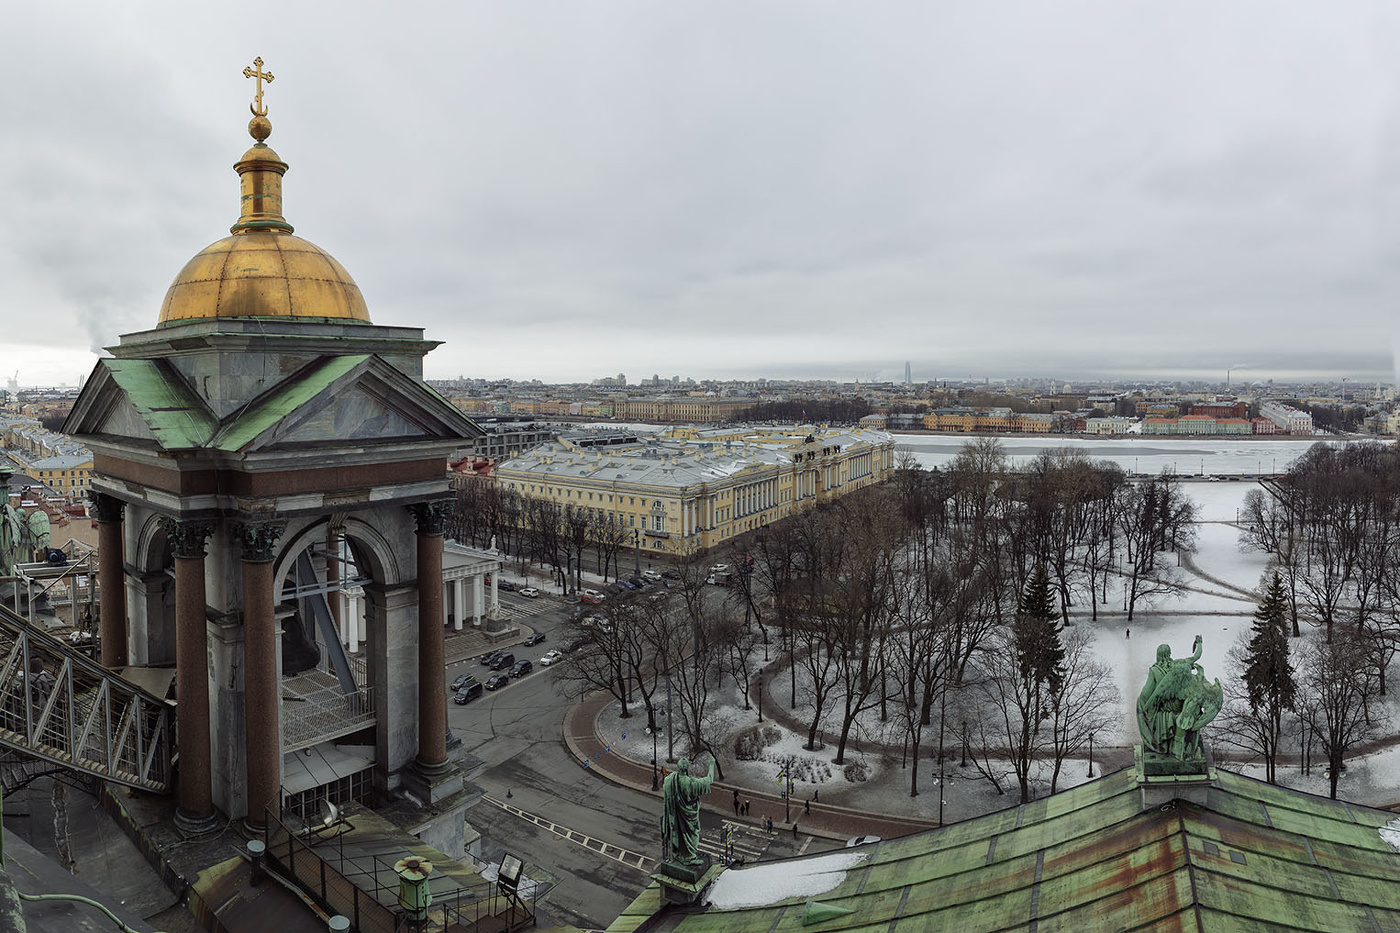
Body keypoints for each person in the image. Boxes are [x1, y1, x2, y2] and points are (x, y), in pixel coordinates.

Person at [661, 756, 717, 864]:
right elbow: (709, 780)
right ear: (687, 768)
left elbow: (665, 788)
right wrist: (711, 764)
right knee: (693, 834)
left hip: (677, 815)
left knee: (680, 833)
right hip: (690, 816)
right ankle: (689, 857)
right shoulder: (691, 783)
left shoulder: (671, 779)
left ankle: (679, 854)